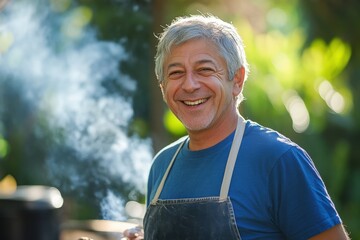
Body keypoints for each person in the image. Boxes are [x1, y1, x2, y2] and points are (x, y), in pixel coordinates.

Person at [143, 14, 350, 240]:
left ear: (238, 80)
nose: (190, 85)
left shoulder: (278, 159)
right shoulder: (162, 166)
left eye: (205, 70)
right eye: (176, 73)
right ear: (163, 87)